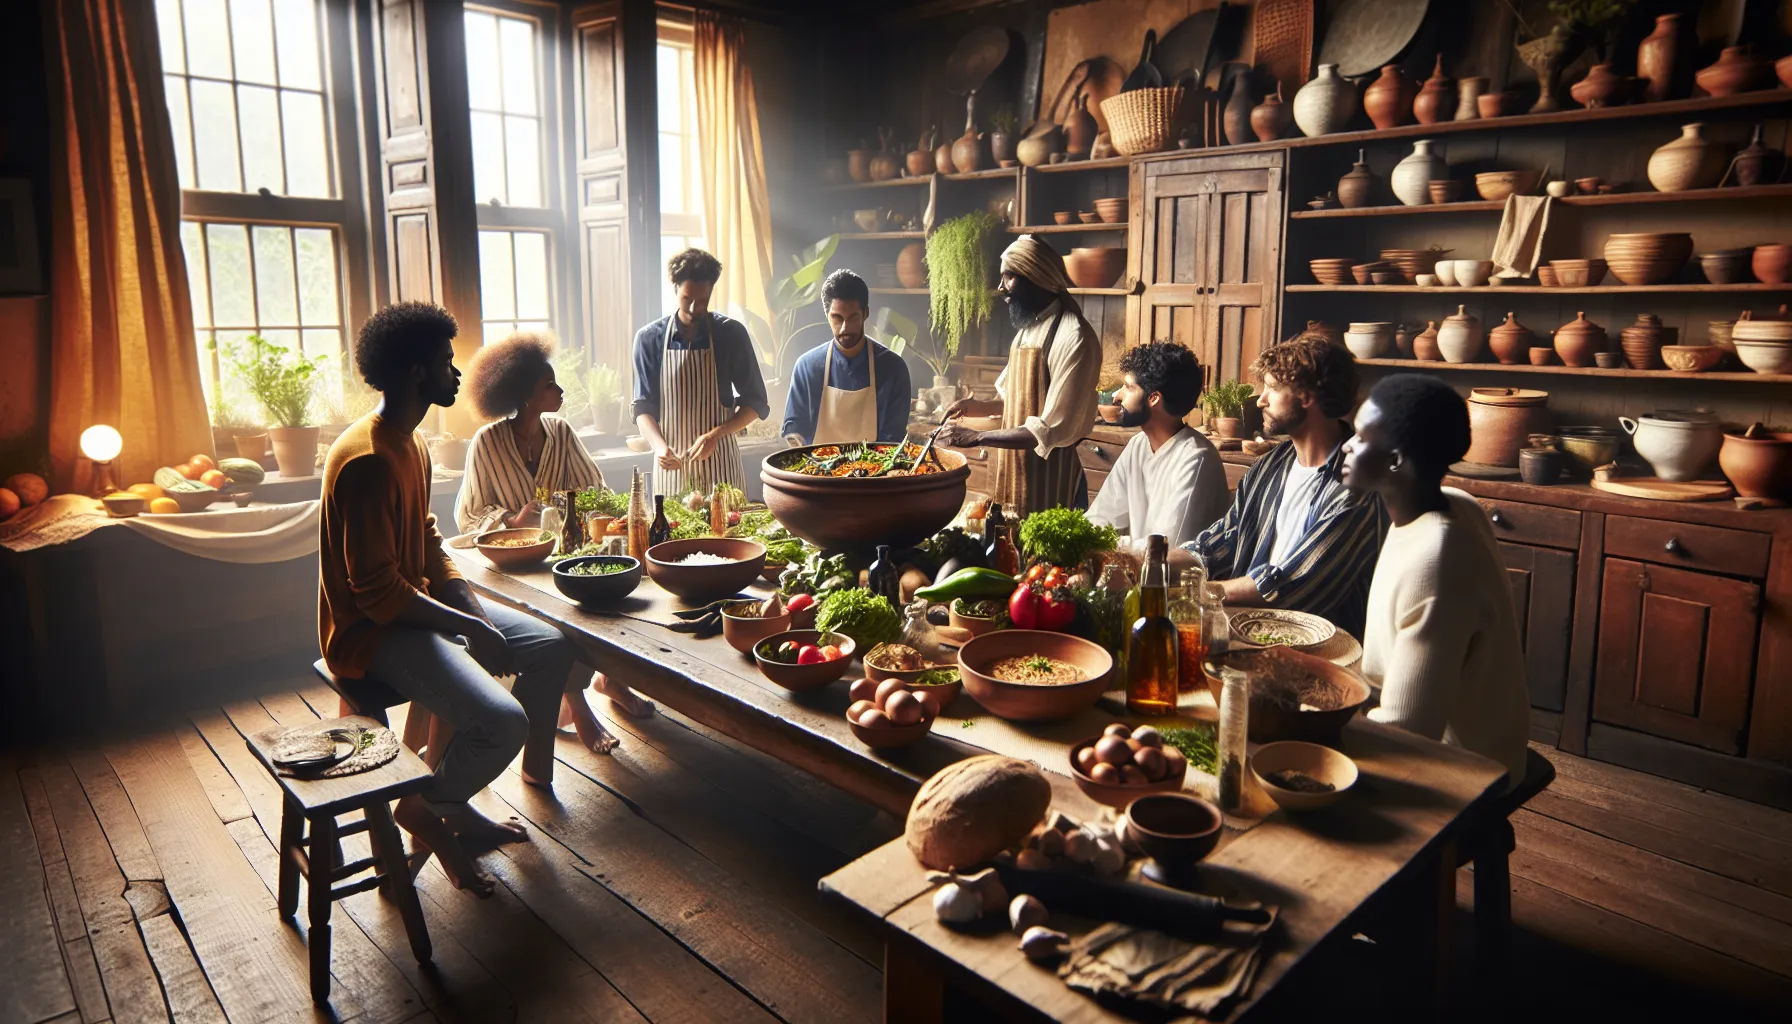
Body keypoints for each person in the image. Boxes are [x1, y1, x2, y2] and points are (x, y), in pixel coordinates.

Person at [319, 301, 569, 897]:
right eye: (445, 361)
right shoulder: (368, 460)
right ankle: (428, 808)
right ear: (413, 372)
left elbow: (429, 544)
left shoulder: (413, 442)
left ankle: (451, 802)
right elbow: (378, 596)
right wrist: (466, 626)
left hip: (416, 613)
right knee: (502, 722)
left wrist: (475, 616)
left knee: (551, 647)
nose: (457, 373)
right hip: (372, 636)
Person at [453, 328, 656, 734]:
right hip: (510, 567)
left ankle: (611, 678)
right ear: (526, 394)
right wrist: (512, 521)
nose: (560, 391)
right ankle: (579, 706)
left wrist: (565, 508)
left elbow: (596, 490)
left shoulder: (561, 433)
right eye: (550, 385)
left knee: (604, 596)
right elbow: (468, 517)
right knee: (561, 620)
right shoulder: (486, 442)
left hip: (562, 554)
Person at [1342, 374, 1530, 788]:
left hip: (1463, 769)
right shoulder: (1449, 506)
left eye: (1359, 437)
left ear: (1395, 461)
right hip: (1434, 739)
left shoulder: (1436, 556)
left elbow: (1405, 732)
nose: (1346, 446)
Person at [1183, 334, 1387, 637]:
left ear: (1305, 397)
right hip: (1250, 632)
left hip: (1321, 652)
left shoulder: (1357, 486)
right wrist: (1149, 563)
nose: (1261, 399)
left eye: (1273, 388)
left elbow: (1291, 584)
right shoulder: (1270, 465)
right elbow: (1222, 541)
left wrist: (1196, 595)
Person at [940, 235, 1101, 514]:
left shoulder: (1073, 337)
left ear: (1035, 277)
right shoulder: (1027, 331)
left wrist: (976, 437)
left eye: (1009, 277)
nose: (1001, 287)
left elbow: (1046, 430)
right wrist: (972, 407)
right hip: (1012, 475)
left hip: (1053, 485)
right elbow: (1018, 401)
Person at [631, 248, 770, 498]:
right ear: (675, 288)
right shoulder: (649, 339)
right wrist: (660, 448)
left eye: (703, 301)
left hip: (722, 469)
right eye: (687, 299)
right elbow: (643, 408)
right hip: (671, 468)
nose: (695, 308)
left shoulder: (730, 334)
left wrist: (716, 435)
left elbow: (755, 404)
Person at [1085, 340, 1230, 550]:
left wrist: (1105, 545)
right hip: (1142, 573)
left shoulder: (1196, 458)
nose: (1117, 397)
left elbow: (1167, 549)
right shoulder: (1138, 445)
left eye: (1128, 387)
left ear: (1153, 398)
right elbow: (1101, 516)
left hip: (1179, 580)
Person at [781, 269, 913, 445]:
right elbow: (794, 428)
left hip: (876, 469)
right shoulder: (807, 367)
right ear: (827, 315)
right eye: (837, 318)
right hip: (816, 468)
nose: (844, 328)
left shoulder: (893, 369)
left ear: (865, 313)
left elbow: (892, 439)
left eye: (852, 318)